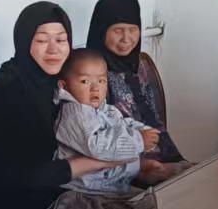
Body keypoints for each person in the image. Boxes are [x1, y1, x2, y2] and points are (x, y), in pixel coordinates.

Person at [0, 2, 125, 209]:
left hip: (59, 200)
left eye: (61, 40)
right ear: (24, 42)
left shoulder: (54, 82)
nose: (54, 49)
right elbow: (28, 176)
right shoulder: (7, 92)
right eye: (42, 40)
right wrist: (103, 160)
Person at [88, 0, 188, 178]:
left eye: (133, 30)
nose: (126, 39)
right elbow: (91, 140)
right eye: (118, 30)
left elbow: (156, 123)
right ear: (101, 30)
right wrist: (141, 166)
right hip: (117, 169)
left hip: (158, 156)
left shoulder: (139, 66)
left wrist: (172, 161)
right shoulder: (90, 73)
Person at [54, 47, 159, 192]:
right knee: (151, 199)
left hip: (110, 181)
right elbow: (97, 146)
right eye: (85, 81)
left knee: (158, 194)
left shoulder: (103, 108)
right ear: (64, 86)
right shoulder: (75, 112)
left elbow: (121, 123)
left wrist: (141, 130)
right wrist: (138, 140)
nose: (95, 88)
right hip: (88, 188)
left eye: (101, 81)